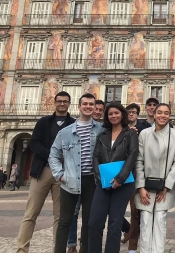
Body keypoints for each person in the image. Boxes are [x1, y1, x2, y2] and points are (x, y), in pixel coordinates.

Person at [16, 91, 76, 253]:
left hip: (63, 175)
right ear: (54, 103)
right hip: (42, 171)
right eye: (59, 101)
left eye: (65, 101)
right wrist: (53, 156)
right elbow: (34, 143)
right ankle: (22, 249)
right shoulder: (43, 122)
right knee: (31, 213)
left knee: (60, 216)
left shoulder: (74, 124)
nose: (62, 104)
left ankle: (58, 249)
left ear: (69, 104)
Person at [49, 93, 104, 253]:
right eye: (85, 104)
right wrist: (60, 174)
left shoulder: (101, 130)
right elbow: (53, 154)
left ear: (94, 108)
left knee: (89, 221)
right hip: (70, 180)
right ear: (79, 107)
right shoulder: (65, 132)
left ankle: (84, 250)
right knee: (64, 220)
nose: (88, 106)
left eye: (91, 104)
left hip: (92, 181)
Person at [89, 102, 139, 253]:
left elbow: (132, 156)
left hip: (123, 184)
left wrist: (119, 178)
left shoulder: (130, 134)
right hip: (103, 183)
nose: (113, 116)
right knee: (94, 222)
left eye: (116, 113)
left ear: (122, 114)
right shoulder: (102, 135)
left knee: (115, 223)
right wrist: (100, 178)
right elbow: (96, 156)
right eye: (110, 114)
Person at [135, 103, 175, 253]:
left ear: (169, 116)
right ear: (154, 115)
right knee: (145, 221)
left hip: (165, 187)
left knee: (160, 221)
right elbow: (138, 160)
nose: (163, 115)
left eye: (166, 113)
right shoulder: (144, 134)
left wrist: (167, 186)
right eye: (159, 112)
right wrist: (141, 187)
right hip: (145, 187)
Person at [68, 100, 110, 253]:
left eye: (100, 110)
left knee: (89, 214)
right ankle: (71, 243)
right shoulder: (75, 127)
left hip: (94, 177)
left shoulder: (103, 129)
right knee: (73, 212)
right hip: (75, 175)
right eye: (95, 109)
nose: (97, 112)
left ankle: (84, 245)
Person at [122, 103, 150, 253]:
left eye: (133, 112)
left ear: (137, 114)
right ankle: (125, 230)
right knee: (114, 211)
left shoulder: (144, 130)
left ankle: (133, 246)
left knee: (135, 212)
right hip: (121, 175)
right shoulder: (120, 129)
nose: (131, 114)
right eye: (129, 112)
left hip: (136, 175)